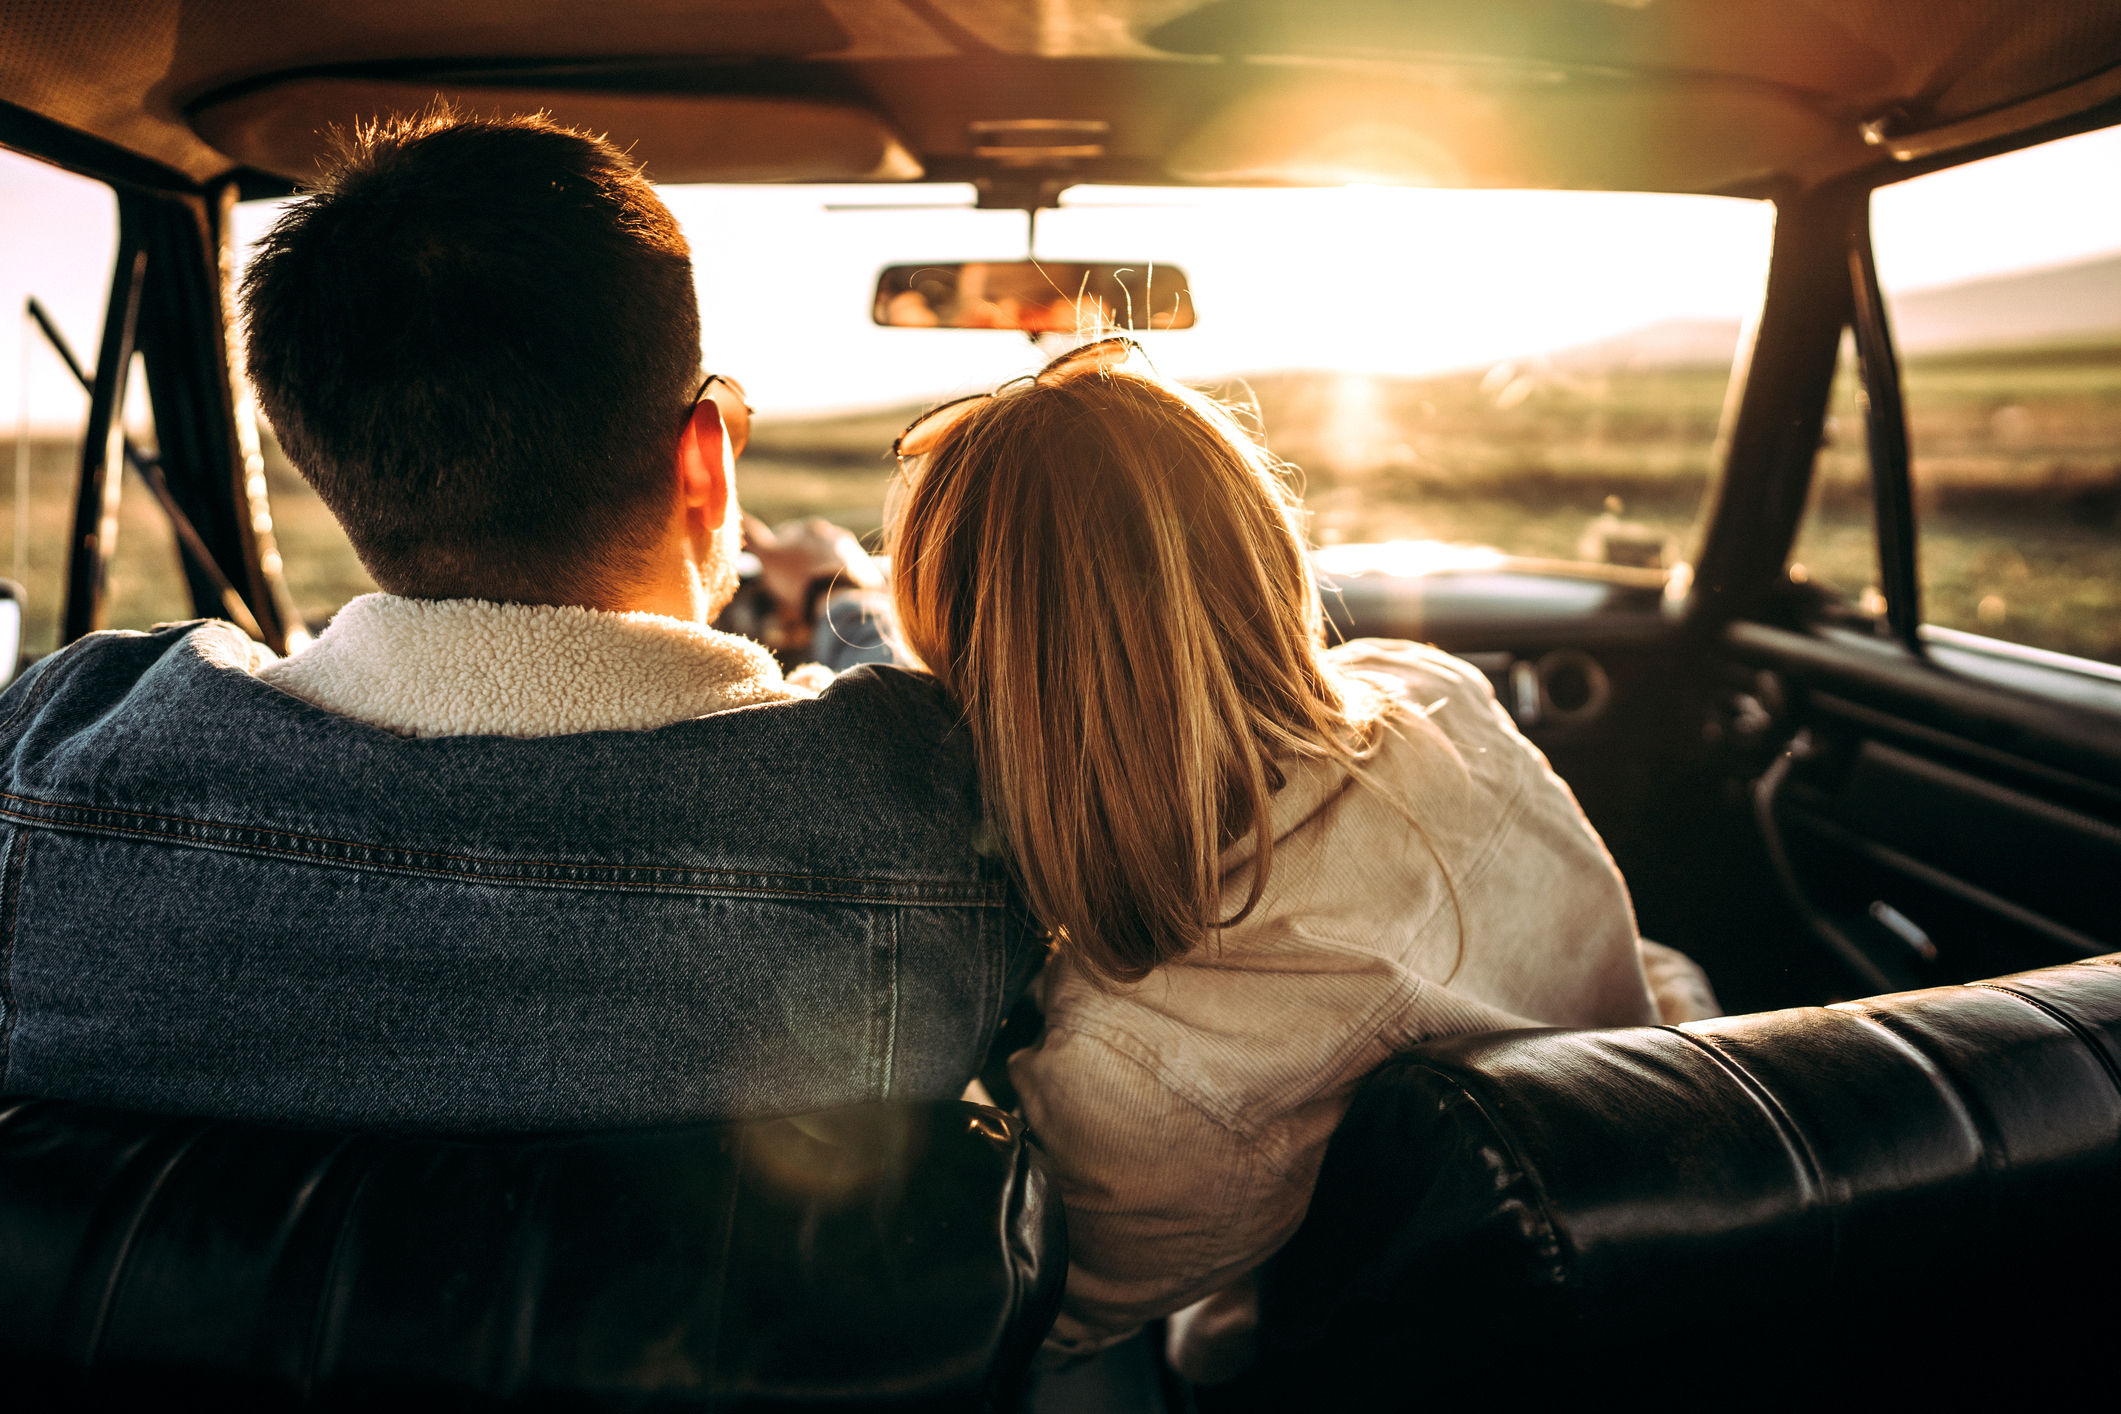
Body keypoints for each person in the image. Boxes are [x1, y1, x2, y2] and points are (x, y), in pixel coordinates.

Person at [0, 111, 1040, 1130]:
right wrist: (842, 609)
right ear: (706, 458)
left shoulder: (55, 762)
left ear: (334, 464)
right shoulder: (937, 811)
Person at [883, 339, 1719, 1386]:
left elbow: (1028, 1322)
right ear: (1259, 554)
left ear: (982, 684)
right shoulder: (1433, 694)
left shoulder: (1141, 1085)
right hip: (1666, 1249)